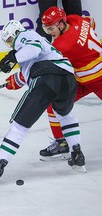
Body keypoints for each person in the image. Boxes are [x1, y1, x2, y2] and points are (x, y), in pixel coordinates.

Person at [0, 20, 86, 185]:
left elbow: (33, 50)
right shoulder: (39, 43)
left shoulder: (25, 36)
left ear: (16, 33)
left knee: (19, 126)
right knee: (65, 114)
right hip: (67, 78)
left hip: (46, 78)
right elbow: (34, 64)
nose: (11, 45)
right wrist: (15, 80)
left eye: (10, 40)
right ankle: (77, 153)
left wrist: (13, 57)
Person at [38, 6, 102, 161]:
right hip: (83, 79)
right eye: (46, 29)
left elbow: (47, 65)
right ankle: (62, 143)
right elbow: (91, 23)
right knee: (54, 103)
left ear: (61, 24)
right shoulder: (75, 19)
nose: (49, 33)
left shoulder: (64, 45)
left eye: (51, 28)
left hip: (98, 77)